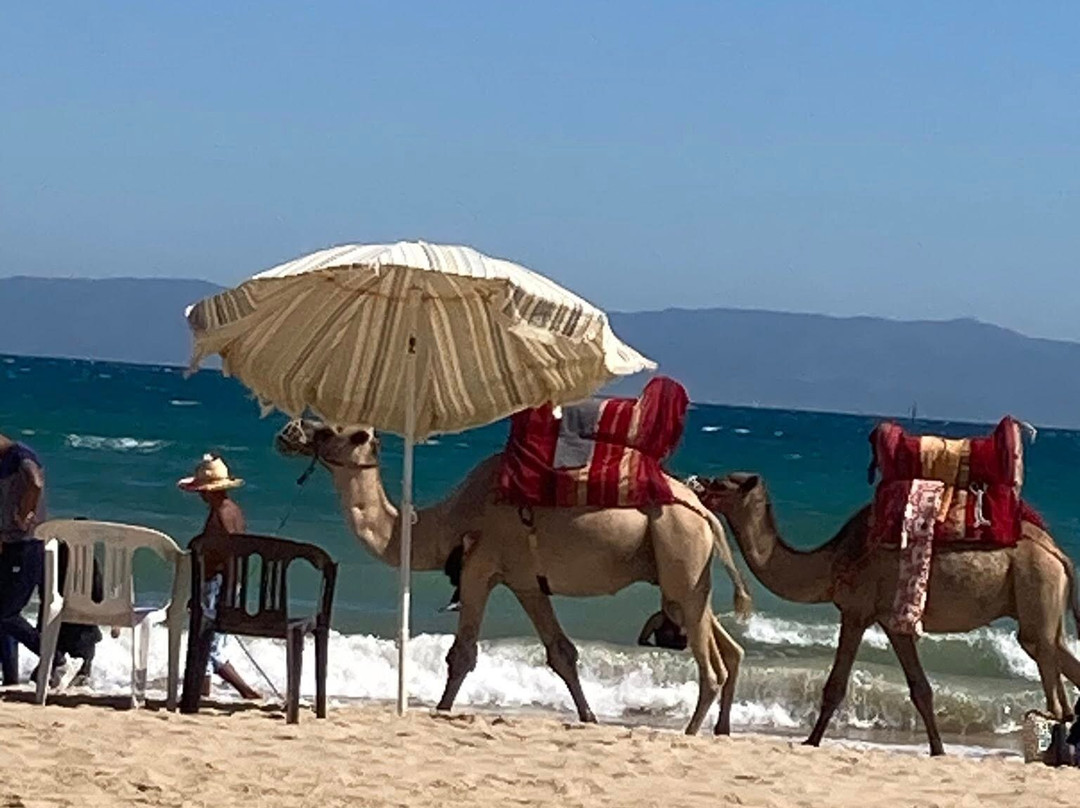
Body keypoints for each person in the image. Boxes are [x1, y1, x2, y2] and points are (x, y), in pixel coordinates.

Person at [178, 453, 260, 700]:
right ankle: (203, 691)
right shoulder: (233, 510)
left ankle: (246, 691)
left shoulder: (221, 516)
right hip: (226, 583)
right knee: (212, 641)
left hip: (217, 584)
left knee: (210, 645)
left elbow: (225, 557)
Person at [0, 433, 64, 686]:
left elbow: (35, 482)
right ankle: (11, 677)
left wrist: (25, 513)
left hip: (27, 544)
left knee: (6, 614)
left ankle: (58, 659)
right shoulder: (6, 460)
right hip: (10, 543)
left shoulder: (20, 455)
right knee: (3, 614)